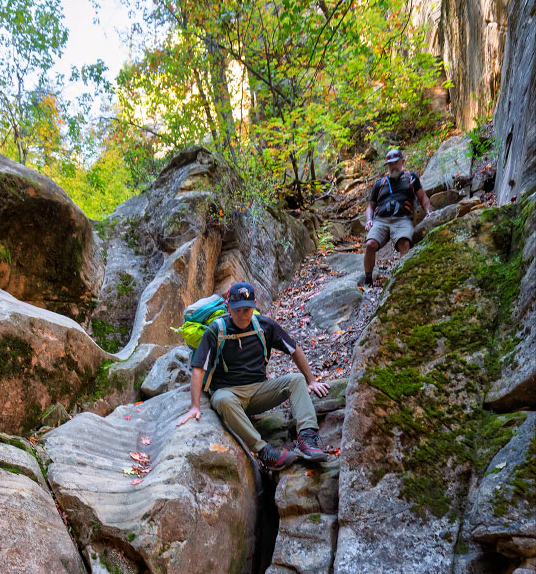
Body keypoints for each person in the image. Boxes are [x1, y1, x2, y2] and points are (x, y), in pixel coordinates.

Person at [176, 282, 330, 470]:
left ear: (254, 305)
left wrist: (311, 380)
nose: (243, 315)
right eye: (237, 310)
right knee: (222, 399)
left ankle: (307, 440)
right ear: (228, 307)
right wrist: (195, 406)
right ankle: (265, 452)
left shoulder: (265, 326)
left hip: (259, 391)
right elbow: (198, 368)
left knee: (296, 380)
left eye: (247, 309)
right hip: (229, 394)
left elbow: (294, 349)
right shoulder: (216, 330)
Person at [361, 147, 432, 288]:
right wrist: (369, 219)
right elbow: (370, 207)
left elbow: (423, 198)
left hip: (402, 219)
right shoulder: (379, 184)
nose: (393, 166)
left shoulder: (410, 178)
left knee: (404, 244)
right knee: (370, 244)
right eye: (390, 164)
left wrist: (429, 211)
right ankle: (368, 280)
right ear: (387, 166)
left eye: (395, 162)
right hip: (381, 220)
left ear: (402, 161)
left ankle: (401, 278)